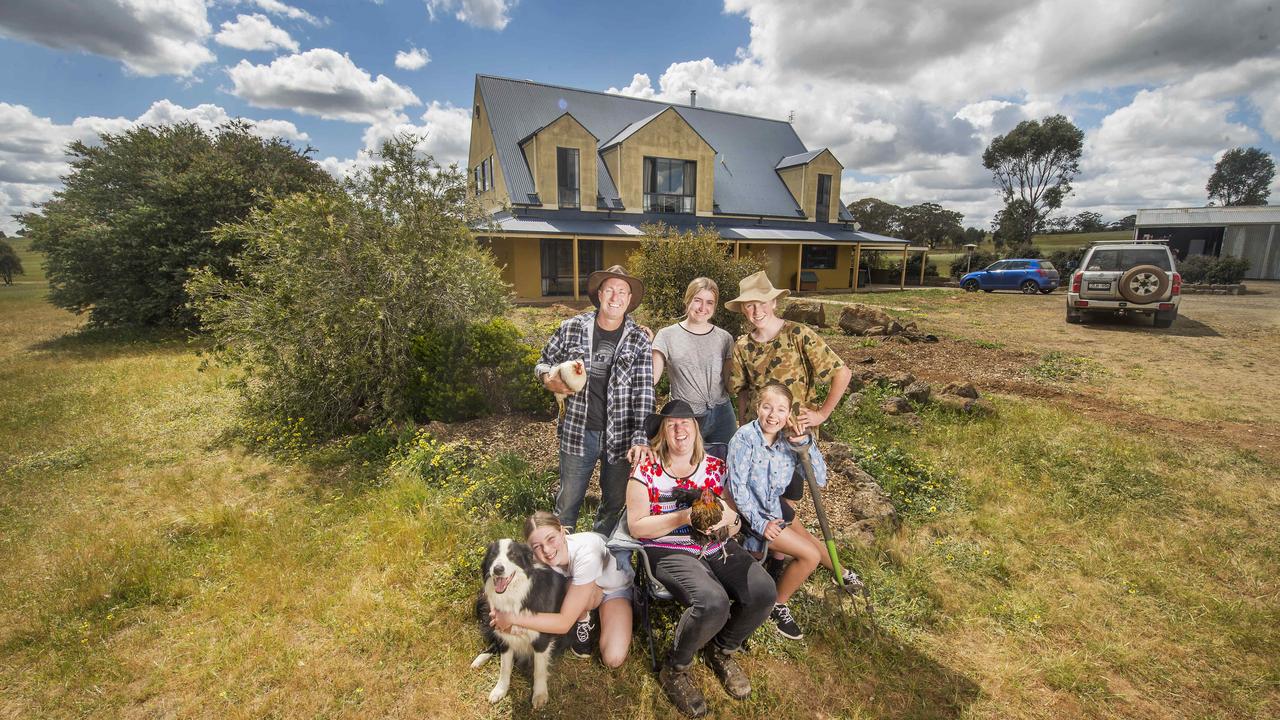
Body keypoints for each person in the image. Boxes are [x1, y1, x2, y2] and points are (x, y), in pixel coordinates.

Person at [626, 399, 775, 718]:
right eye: (671, 425)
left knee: (764, 592)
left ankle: (721, 649)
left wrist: (728, 521)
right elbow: (636, 525)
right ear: (663, 434)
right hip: (669, 548)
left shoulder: (715, 467)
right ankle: (675, 668)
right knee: (712, 601)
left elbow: (735, 519)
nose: (679, 429)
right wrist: (682, 518)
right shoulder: (646, 469)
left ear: (696, 429)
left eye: (686, 423)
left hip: (716, 545)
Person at [727, 382, 863, 640]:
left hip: (773, 506)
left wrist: (803, 443)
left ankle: (842, 573)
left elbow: (819, 479)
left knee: (809, 540)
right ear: (758, 407)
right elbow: (738, 489)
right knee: (809, 555)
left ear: (788, 413)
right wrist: (759, 523)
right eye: (767, 407)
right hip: (748, 513)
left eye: (780, 409)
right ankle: (777, 604)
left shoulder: (788, 440)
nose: (772, 415)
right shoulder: (744, 438)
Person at [536, 265, 655, 535]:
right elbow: (542, 363)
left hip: (622, 438)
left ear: (629, 299)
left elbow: (644, 393)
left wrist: (640, 438)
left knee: (613, 505)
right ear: (600, 294)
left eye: (622, 292)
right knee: (567, 503)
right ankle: (560, 565)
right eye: (610, 290)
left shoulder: (638, 340)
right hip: (578, 432)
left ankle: (600, 557)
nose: (615, 297)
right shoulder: (571, 328)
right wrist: (547, 378)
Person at [725, 270, 852, 508]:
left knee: (787, 501)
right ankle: (763, 540)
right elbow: (742, 390)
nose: (756, 311)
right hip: (760, 436)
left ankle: (784, 541)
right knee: (757, 498)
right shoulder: (743, 345)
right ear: (743, 309)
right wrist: (743, 424)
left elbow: (842, 373)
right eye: (749, 306)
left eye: (761, 303)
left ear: (773, 302)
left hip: (794, 432)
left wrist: (822, 414)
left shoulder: (797, 334)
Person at [489, 512, 633, 667]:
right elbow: (495, 583)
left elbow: (563, 623)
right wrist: (496, 612)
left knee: (613, 659)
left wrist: (512, 618)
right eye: (537, 546)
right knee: (569, 585)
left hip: (614, 590)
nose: (547, 550)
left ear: (562, 532)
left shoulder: (586, 555)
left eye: (551, 539)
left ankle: (583, 615)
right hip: (583, 589)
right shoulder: (535, 556)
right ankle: (582, 618)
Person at [652, 277, 737, 445]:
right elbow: (651, 378)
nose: (703, 308)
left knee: (726, 466)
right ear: (687, 300)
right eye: (697, 300)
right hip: (685, 417)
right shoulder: (666, 335)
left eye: (710, 302)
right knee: (687, 467)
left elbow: (730, 385)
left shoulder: (724, 338)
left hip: (723, 415)